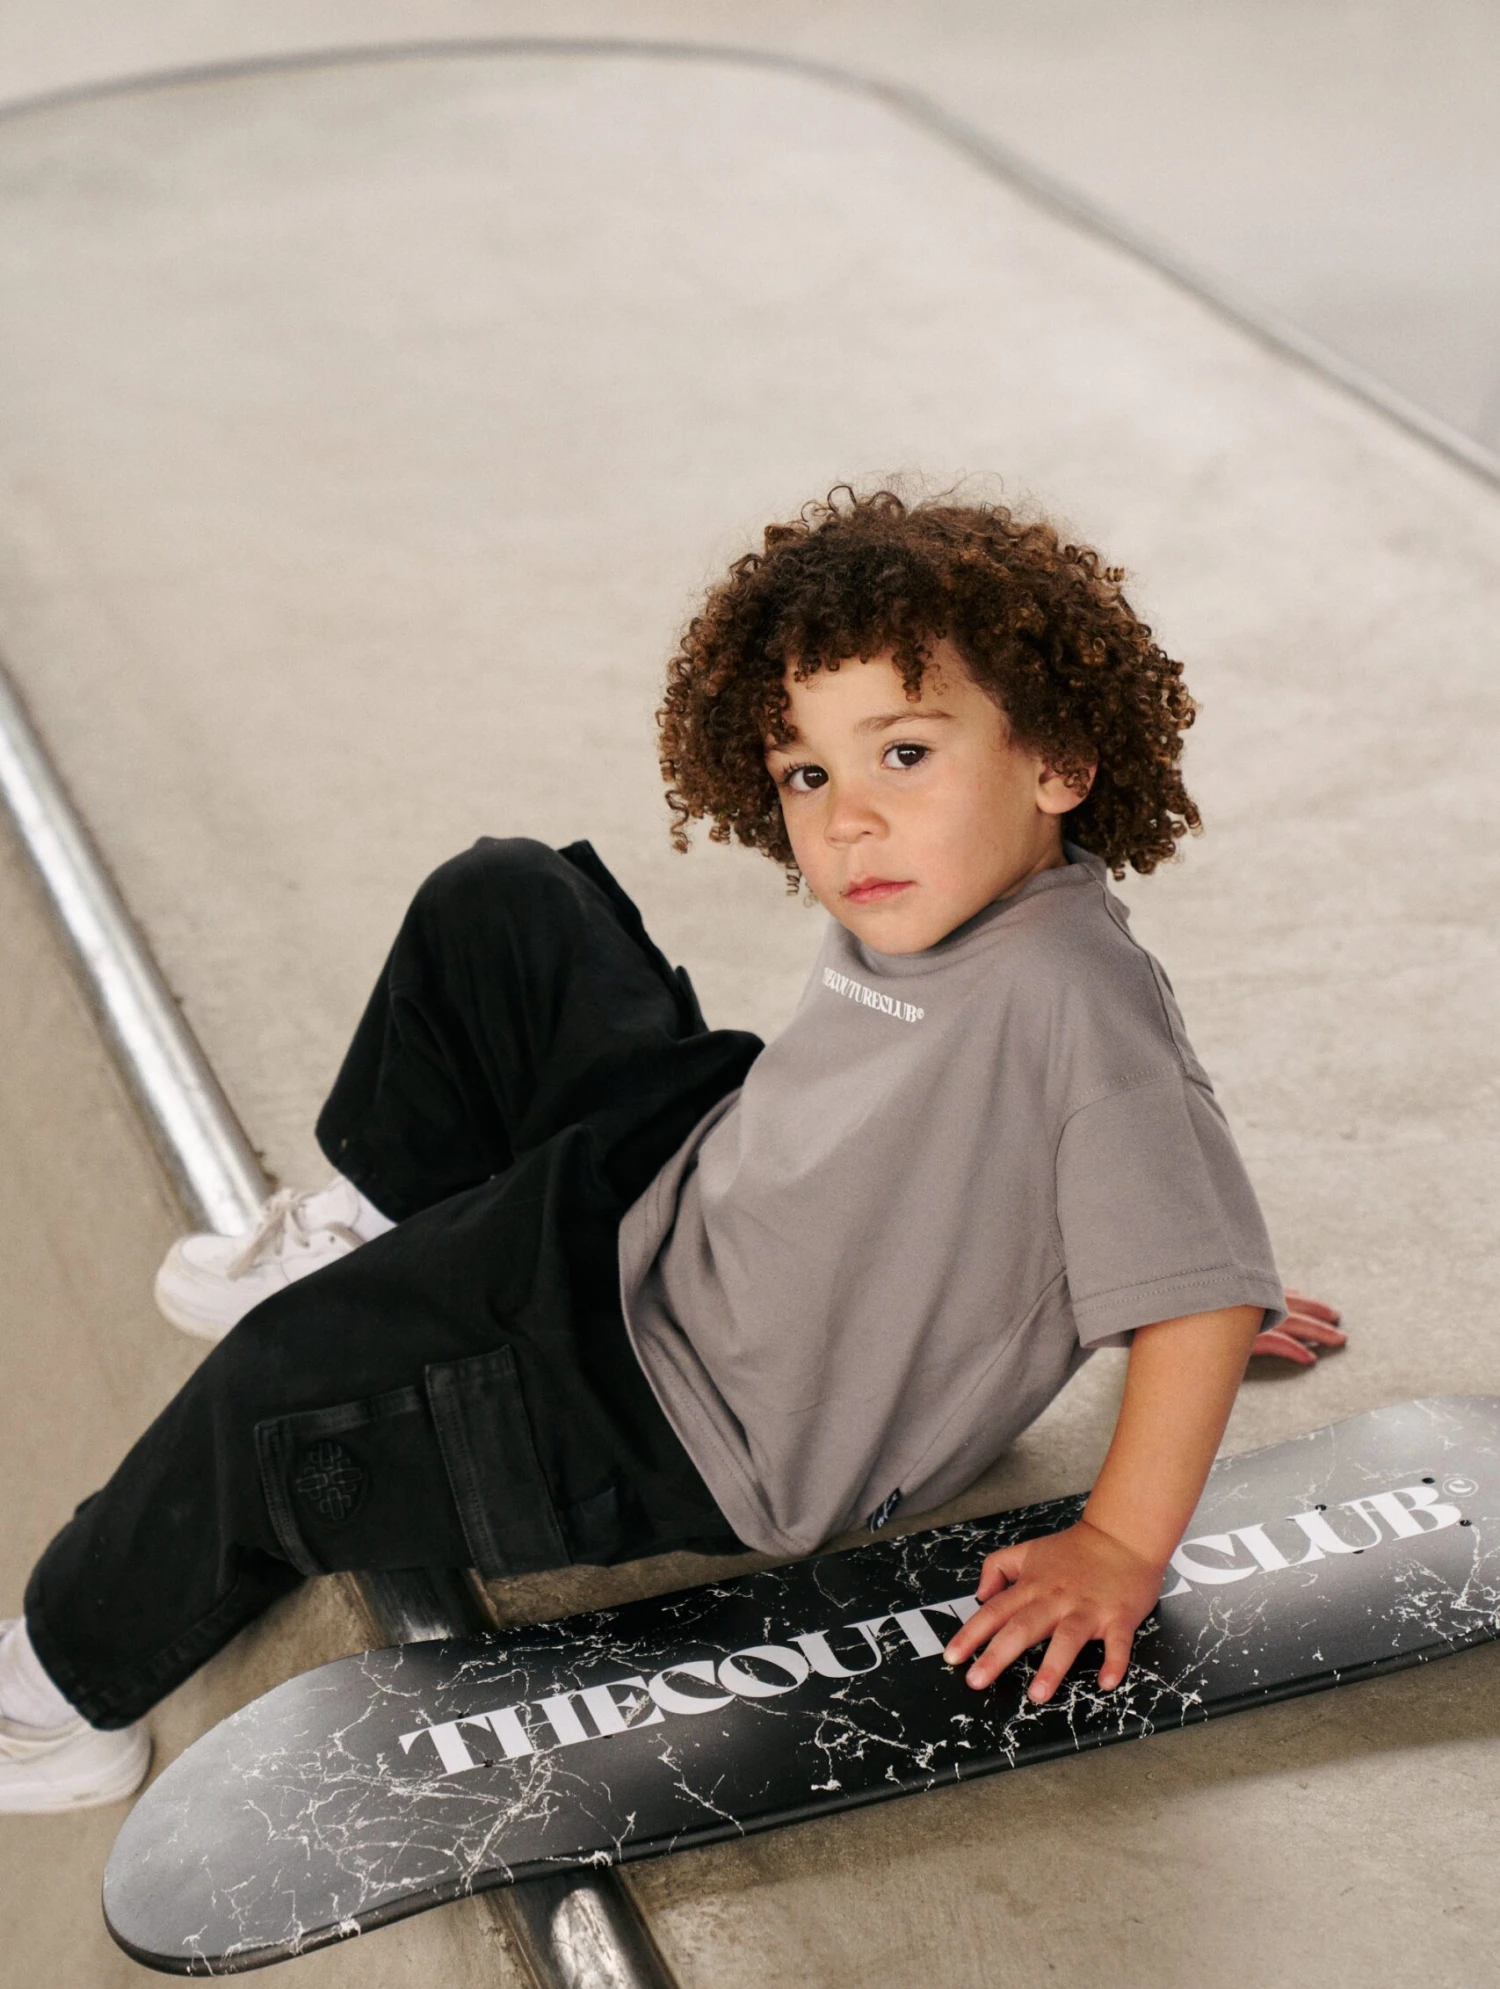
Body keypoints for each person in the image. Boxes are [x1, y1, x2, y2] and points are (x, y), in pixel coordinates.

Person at [0, 487, 1344, 1813]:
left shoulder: (1074, 996)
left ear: (1058, 761)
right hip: (692, 1172)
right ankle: (374, 1222)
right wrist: (1144, 1268)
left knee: (274, 1381)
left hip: (672, 1406)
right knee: (506, 898)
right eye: (808, 773)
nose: (847, 820)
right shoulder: (950, 888)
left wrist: (1125, 1516)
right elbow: (1088, 1209)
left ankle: (52, 1693)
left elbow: (1190, 1283)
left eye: (903, 754)